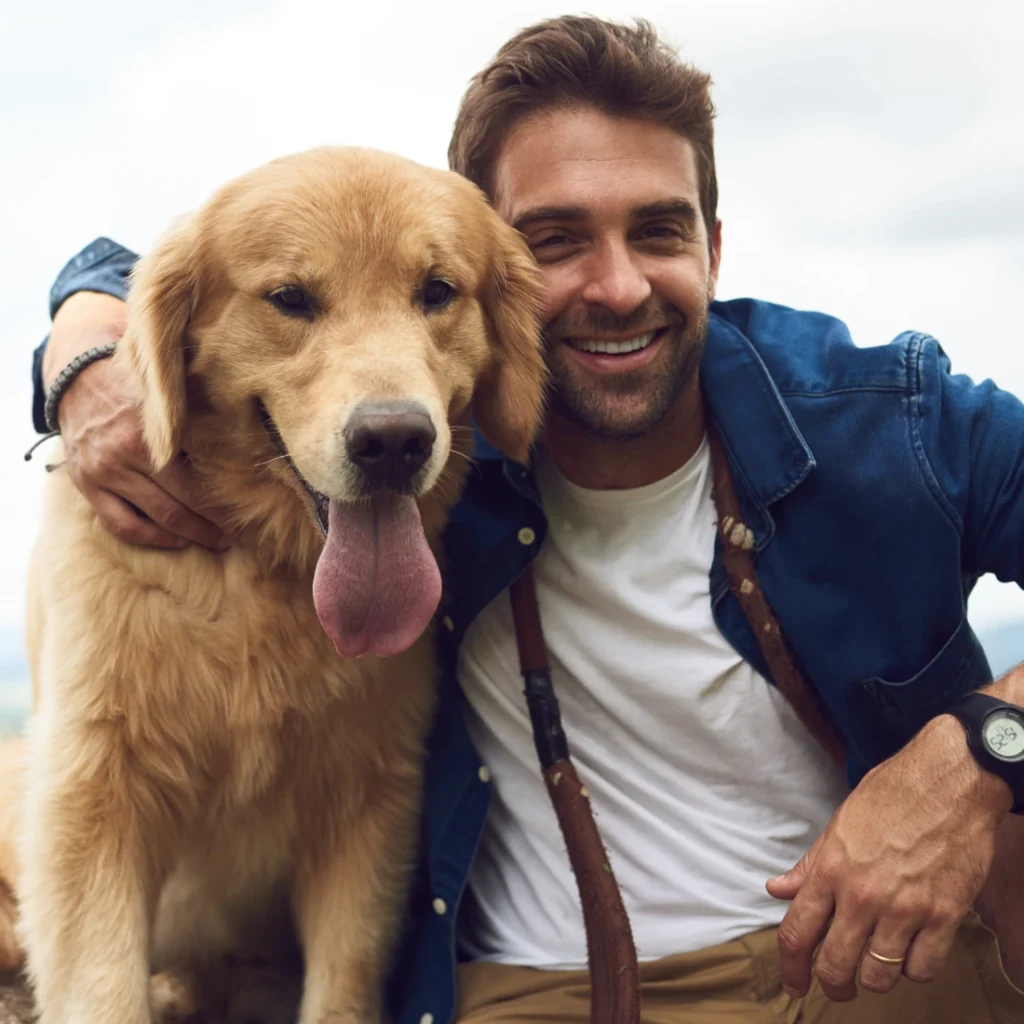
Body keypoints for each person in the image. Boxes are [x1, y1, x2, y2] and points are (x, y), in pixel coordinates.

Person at [27, 15, 1024, 1024]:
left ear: (714, 250)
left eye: (659, 231)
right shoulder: (443, 454)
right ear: (508, 287)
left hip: (866, 972)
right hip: (540, 992)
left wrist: (979, 753)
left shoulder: (884, 421)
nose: (619, 286)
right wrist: (82, 348)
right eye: (556, 240)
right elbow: (187, 270)